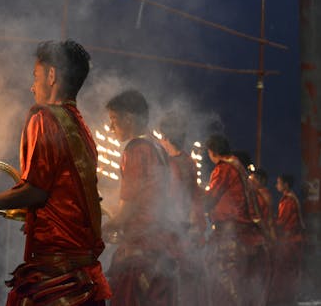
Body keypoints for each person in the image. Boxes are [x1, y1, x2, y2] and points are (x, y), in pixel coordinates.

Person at [0, 40, 111, 306]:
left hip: (55, 275)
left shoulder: (45, 118)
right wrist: (34, 215)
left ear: (52, 75)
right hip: (82, 273)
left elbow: (35, 190)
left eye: (36, 76)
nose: (32, 86)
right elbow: (63, 195)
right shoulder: (82, 129)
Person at [101, 90, 175, 306]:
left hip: (140, 251)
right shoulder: (158, 148)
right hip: (160, 248)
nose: (112, 127)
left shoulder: (135, 149)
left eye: (114, 120)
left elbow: (128, 210)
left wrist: (100, 231)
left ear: (129, 119)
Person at [204, 135, 268, 306]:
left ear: (212, 152)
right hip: (246, 233)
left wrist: (191, 198)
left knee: (226, 283)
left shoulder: (224, 169)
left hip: (232, 233)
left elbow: (210, 199)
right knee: (244, 283)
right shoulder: (237, 165)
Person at [158, 112, 207, 306]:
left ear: (167, 138)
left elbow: (169, 198)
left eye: (162, 136)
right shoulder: (189, 160)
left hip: (175, 230)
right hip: (190, 227)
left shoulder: (172, 164)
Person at [268, 174, 305, 305]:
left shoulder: (288, 201)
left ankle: (285, 299)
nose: (276, 185)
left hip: (290, 242)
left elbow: (281, 222)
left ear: (286, 185)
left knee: (285, 271)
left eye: (278, 183)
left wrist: (269, 223)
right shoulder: (290, 199)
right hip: (293, 241)